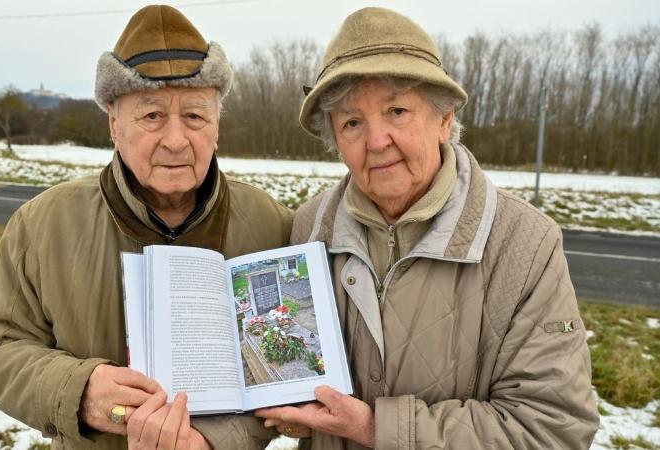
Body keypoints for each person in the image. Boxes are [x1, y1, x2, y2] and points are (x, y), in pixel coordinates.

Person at [255, 7, 599, 449]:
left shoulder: (525, 243)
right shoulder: (310, 227)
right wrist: (296, 413)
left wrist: (376, 429)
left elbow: (551, 427)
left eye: (396, 111)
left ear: (444, 119)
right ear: (336, 139)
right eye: (352, 122)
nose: (376, 141)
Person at [0, 5, 292, 450]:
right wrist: (77, 392)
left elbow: (287, 375)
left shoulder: (270, 224)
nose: (176, 140)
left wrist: (217, 441)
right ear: (114, 125)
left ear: (217, 126)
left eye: (195, 116)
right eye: (151, 116)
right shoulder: (43, 224)